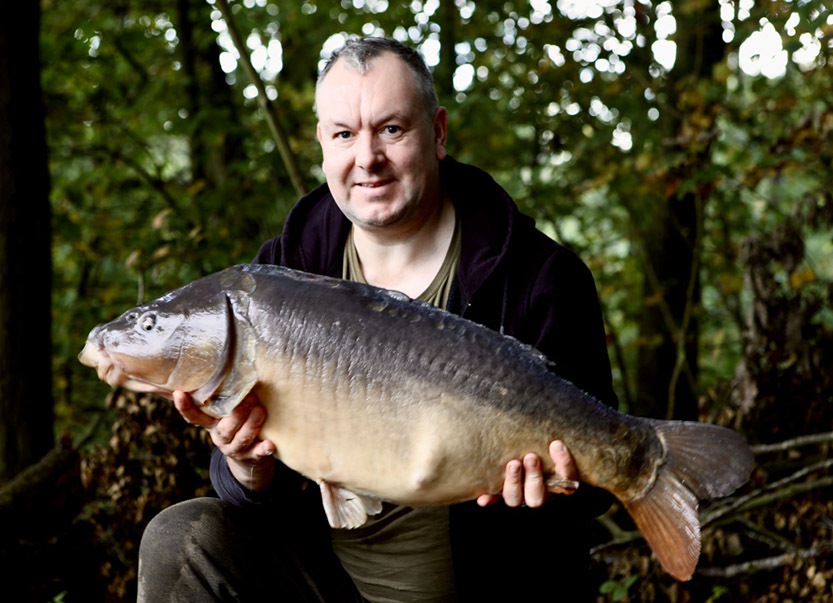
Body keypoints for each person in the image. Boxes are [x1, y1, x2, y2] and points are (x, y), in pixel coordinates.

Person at [138, 37, 617, 602]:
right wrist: (244, 466)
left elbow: (597, 481)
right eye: (344, 134)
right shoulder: (282, 274)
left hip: (488, 589)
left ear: (437, 133)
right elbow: (252, 496)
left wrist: (552, 489)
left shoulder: (539, 276)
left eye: (391, 129)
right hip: (324, 586)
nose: (367, 158)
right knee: (180, 537)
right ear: (322, 143)